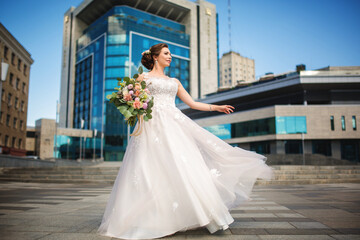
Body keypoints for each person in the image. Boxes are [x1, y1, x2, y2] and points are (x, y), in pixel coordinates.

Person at [97, 43, 273, 239]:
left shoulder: (175, 81)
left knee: (182, 167)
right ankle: (150, 218)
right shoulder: (142, 78)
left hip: (173, 125)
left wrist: (216, 107)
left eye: (170, 54)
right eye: (166, 53)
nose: (170, 56)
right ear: (155, 57)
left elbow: (192, 103)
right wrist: (134, 108)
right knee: (148, 168)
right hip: (150, 127)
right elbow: (127, 98)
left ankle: (193, 213)